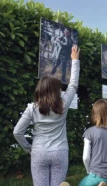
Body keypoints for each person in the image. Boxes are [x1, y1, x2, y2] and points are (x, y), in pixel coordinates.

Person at [13, 45, 80, 186]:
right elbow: (73, 84)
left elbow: (17, 132)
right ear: (56, 91)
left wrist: (29, 148)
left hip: (39, 152)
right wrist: (75, 60)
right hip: (60, 152)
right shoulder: (63, 104)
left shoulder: (32, 108)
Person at [79, 99, 107, 186]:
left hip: (97, 175)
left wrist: (88, 171)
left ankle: (101, 183)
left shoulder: (89, 132)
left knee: (81, 184)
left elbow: (85, 158)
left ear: (95, 114)